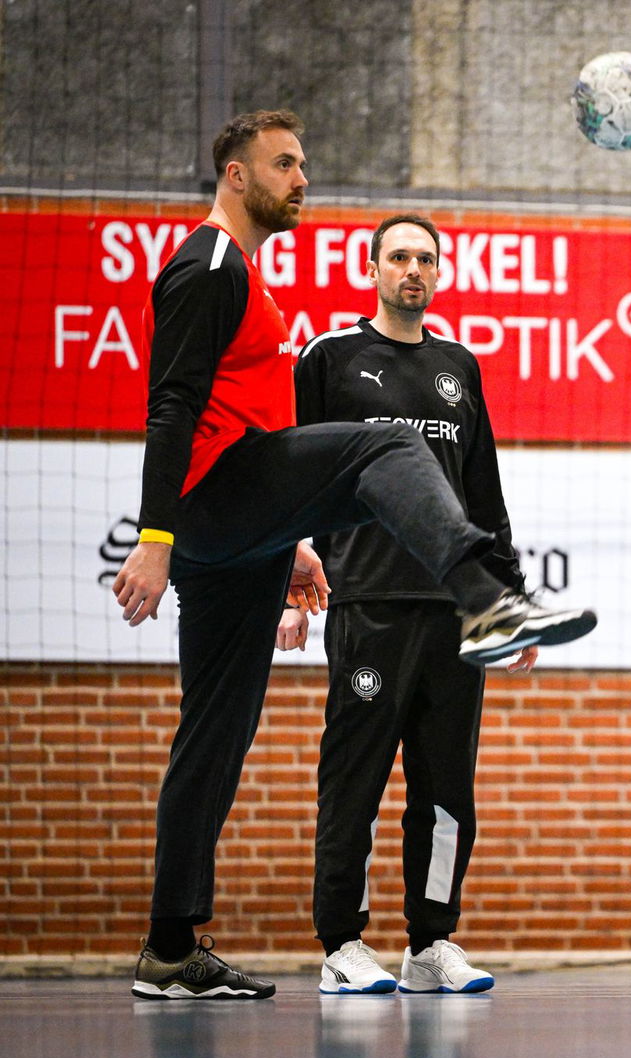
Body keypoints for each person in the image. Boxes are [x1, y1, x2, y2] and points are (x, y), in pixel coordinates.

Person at [113, 112, 596, 1000]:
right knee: (385, 447)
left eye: (303, 163)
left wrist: (289, 540)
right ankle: (483, 599)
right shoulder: (212, 263)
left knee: (214, 736)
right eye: (283, 164)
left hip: (240, 530)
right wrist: (155, 535)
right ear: (234, 175)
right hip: (215, 506)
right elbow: (171, 404)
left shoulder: (256, 278)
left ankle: (170, 945)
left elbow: (264, 430)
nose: (301, 178)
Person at [277, 214, 532, 995]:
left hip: (453, 612)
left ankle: (432, 944)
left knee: (447, 786)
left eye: (425, 257)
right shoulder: (331, 358)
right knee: (354, 777)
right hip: (369, 601)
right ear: (374, 268)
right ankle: (342, 947)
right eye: (399, 257)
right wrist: (286, 577)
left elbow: (482, 493)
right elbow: (289, 469)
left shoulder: (461, 365)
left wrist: (508, 598)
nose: (412, 269)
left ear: (439, 271)